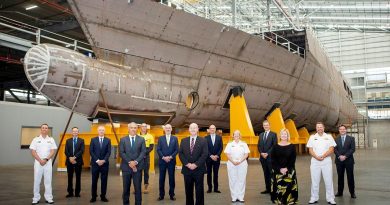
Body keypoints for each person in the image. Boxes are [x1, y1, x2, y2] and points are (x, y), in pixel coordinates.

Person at [307, 122, 337, 205]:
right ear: (316, 128)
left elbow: (331, 149)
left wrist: (323, 156)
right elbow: (310, 150)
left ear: (324, 127)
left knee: (328, 180)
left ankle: (330, 198)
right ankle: (314, 197)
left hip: (326, 161)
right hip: (315, 161)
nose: (319, 128)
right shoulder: (312, 137)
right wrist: (316, 157)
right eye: (318, 127)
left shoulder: (329, 137)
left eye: (321, 127)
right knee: (315, 180)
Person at [179, 123, 208, 205]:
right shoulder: (183, 141)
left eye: (195, 128)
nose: (193, 129)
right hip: (187, 170)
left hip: (199, 170)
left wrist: (196, 164)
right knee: (188, 191)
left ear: (197, 129)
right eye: (191, 128)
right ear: (189, 129)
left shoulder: (203, 140)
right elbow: (180, 154)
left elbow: (205, 154)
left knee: (199, 190)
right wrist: (187, 164)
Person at [30, 123, 57, 205]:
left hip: (48, 163)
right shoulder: (35, 139)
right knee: (37, 181)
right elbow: (33, 151)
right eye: (43, 128)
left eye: (46, 128)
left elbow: (52, 151)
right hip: (38, 163)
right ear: (41, 129)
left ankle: (49, 198)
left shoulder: (51, 139)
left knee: (48, 181)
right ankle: (35, 198)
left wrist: (46, 159)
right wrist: (40, 160)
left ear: (47, 130)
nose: (44, 129)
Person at [120, 122, 146, 205]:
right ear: (128, 128)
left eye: (135, 128)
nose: (133, 129)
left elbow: (143, 152)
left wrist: (135, 162)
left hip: (137, 168)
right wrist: (129, 162)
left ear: (137, 129)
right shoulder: (123, 139)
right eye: (131, 127)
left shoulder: (141, 139)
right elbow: (121, 152)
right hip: (126, 168)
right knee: (126, 189)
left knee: (138, 188)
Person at [271, 129, 298, 205]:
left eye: (285, 134)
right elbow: (273, 159)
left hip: (289, 171)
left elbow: (293, 159)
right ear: (280, 136)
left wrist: (286, 168)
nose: (284, 135)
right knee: (279, 189)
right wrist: (279, 169)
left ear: (287, 136)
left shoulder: (292, 146)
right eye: (282, 134)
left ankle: (289, 202)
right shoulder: (275, 146)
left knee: (289, 189)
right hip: (277, 171)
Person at [224, 130, 250, 203]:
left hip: (242, 164)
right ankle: (234, 197)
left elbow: (246, 154)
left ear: (240, 136)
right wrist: (233, 161)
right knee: (233, 180)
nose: (236, 136)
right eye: (235, 135)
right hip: (232, 164)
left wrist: (240, 161)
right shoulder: (229, 144)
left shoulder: (244, 144)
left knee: (241, 180)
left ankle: (241, 197)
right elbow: (227, 154)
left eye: (237, 135)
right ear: (233, 136)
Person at [156, 124, 179, 201]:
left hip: (171, 162)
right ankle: (161, 195)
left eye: (169, 128)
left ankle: (172, 195)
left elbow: (177, 150)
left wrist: (170, 157)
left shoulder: (175, 138)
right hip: (162, 162)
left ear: (171, 129)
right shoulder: (160, 138)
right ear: (164, 129)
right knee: (161, 179)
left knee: (172, 179)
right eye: (166, 128)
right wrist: (163, 157)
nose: (168, 129)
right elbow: (158, 149)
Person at [90, 126, 111, 203]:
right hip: (95, 164)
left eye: (102, 130)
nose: (101, 131)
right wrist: (98, 160)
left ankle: (103, 196)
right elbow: (91, 151)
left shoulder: (108, 140)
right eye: (100, 130)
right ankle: (93, 196)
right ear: (97, 131)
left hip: (104, 164)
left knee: (104, 181)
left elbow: (108, 152)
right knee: (94, 180)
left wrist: (103, 160)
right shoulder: (93, 140)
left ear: (104, 131)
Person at [334, 125, 356, 199]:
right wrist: (339, 156)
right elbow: (334, 149)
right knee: (340, 177)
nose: (342, 130)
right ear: (339, 130)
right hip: (339, 161)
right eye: (341, 129)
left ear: (346, 130)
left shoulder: (351, 139)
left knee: (350, 177)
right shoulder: (336, 139)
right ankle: (340, 192)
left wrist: (345, 156)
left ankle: (352, 193)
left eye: (343, 129)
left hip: (349, 161)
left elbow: (352, 149)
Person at [258, 120, 277, 194]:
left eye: (267, 125)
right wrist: (262, 153)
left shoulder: (273, 134)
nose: (265, 126)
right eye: (264, 125)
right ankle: (268, 189)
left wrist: (267, 153)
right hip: (263, 158)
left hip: (270, 158)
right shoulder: (261, 135)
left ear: (269, 125)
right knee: (266, 174)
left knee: (272, 174)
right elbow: (259, 145)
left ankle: (273, 190)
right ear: (263, 126)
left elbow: (274, 145)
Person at [65, 127, 85, 198]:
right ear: (72, 132)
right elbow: (66, 151)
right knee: (69, 177)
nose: (75, 132)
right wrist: (70, 158)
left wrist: (74, 157)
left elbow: (82, 151)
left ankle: (77, 193)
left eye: (76, 131)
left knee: (78, 177)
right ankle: (70, 192)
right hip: (69, 161)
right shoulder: (68, 141)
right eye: (74, 131)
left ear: (78, 132)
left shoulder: (81, 140)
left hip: (78, 161)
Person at [205, 125, 223, 193]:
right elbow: (205, 148)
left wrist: (217, 155)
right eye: (211, 128)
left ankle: (216, 189)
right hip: (208, 159)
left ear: (215, 129)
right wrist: (211, 156)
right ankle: (209, 188)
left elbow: (221, 148)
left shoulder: (219, 138)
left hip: (217, 159)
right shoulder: (205, 138)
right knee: (209, 174)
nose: (212, 130)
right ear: (209, 130)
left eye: (213, 128)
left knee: (216, 174)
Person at [139, 123, 154, 193]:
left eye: (145, 126)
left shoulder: (150, 136)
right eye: (143, 126)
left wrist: (144, 153)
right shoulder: (137, 136)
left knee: (146, 172)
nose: (144, 128)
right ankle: (137, 187)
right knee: (137, 172)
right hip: (138, 156)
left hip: (146, 155)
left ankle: (145, 187)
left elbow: (151, 147)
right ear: (140, 127)